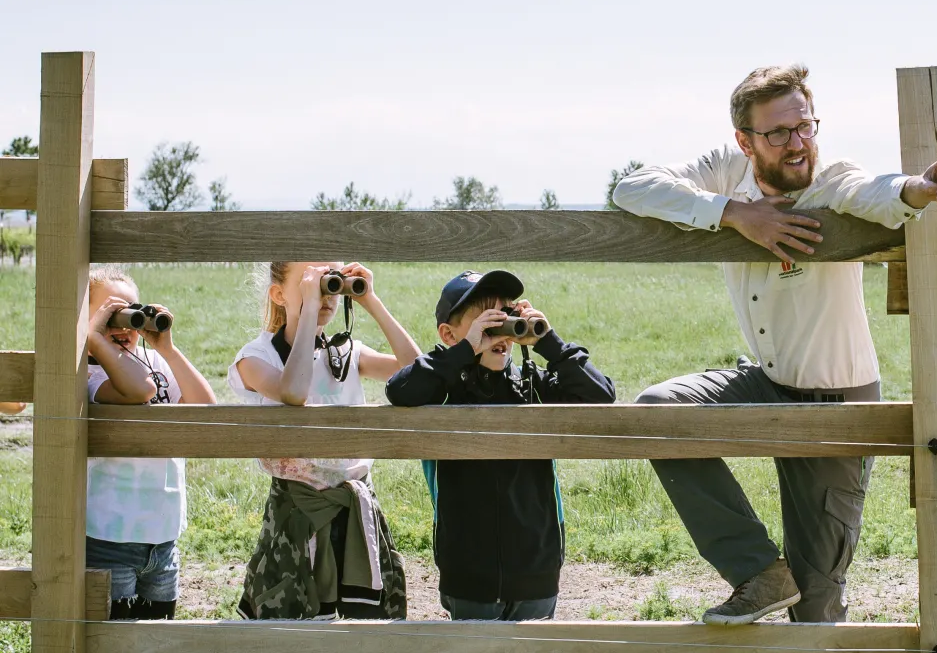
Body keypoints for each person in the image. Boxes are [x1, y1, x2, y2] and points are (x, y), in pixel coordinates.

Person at [613, 63, 937, 624]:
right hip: (767, 380)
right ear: (745, 141)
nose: (798, 143)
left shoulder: (831, 177)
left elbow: (874, 192)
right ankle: (758, 572)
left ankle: (805, 608)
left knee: (817, 604)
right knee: (659, 412)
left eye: (805, 126)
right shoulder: (725, 171)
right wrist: (735, 215)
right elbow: (632, 188)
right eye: (778, 133)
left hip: (839, 402)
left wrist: (917, 189)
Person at [387, 269, 617, 620]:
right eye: (486, 319)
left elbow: (601, 396)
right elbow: (399, 389)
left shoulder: (532, 385)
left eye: (506, 316)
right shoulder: (445, 390)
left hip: (537, 569)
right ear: (449, 334)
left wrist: (548, 342)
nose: (500, 329)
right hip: (468, 572)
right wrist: (465, 351)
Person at [227, 261, 421, 619]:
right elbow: (294, 391)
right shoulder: (255, 357)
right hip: (296, 511)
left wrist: (370, 299)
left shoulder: (347, 352)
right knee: (292, 623)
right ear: (278, 295)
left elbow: (417, 373)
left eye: (331, 283)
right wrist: (309, 313)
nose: (323, 294)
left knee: (364, 629)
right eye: (310, 283)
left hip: (355, 506)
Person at [83, 266, 216, 619]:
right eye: (111, 316)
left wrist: (166, 348)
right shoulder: (87, 373)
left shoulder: (153, 361)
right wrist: (94, 339)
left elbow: (206, 409)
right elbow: (140, 389)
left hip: (162, 536)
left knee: (159, 632)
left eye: (132, 313)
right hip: (109, 535)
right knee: (111, 635)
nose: (125, 326)